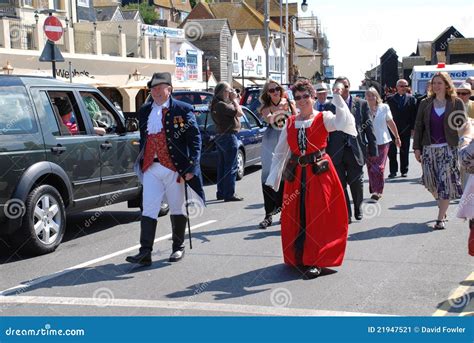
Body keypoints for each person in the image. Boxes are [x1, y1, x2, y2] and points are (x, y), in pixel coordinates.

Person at [266, 79, 357, 279]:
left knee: (319, 215)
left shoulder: (324, 117)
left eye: (306, 96)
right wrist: (274, 177)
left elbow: (343, 122)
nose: (302, 100)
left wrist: (338, 97)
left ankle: (317, 260)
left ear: (314, 97)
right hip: (296, 175)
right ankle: (299, 256)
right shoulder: (290, 122)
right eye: (297, 97)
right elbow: (281, 151)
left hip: (320, 172)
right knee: (297, 215)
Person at [126, 72, 205, 266]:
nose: (156, 92)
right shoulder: (145, 110)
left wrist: (192, 165)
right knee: (149, 208)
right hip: (150, 167)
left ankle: (178, 247)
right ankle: (145, 252)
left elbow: (195, 139)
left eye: (160, 88)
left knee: (177, 208)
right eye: (153, 88)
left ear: (169, 89)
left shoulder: (183, 109)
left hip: (174, 168)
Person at [413, 72, 466, 230]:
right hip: (429, 149)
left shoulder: (456, 103)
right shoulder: (425, 103)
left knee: (445, 184)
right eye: (434, 83)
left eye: (439, 83)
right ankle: (442, 205)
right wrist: (416, 147)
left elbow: (463, 126)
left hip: (448, 149)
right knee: (430, 183)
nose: (436, 86)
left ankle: (440, 217)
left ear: (446, 85)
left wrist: (465, 144)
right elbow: (419, 126)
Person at [326, 76, 377, 222]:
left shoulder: (361, 104)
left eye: (345, 86)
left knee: (356, 182)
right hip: (336, 151)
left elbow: (369, 127)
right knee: (340, 184)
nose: (342, 90)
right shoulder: (330, 106)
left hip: (355, 150)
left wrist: (373, 149)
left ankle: (357, 207)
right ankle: (346, 213)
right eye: (339, 87)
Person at [257, 79, 296, 229]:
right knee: (267, 175)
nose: (275, 92)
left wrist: (289, 106)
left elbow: (294, 118)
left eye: (277, 89)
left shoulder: (290, 102)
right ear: (267, 93)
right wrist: (282, 110)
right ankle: (268, 214)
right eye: (272, 90)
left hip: (286, 138)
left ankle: (283, 211)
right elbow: (272, 120)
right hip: (271, 139)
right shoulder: (265, 107)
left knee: (285, 176)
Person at [210, 82, 244, 202]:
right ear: (223, 92)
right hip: (228, 137)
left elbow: (234, 112)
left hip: (221, 136)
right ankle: (229, 194)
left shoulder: (217, 104)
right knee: (231, 166)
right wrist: (234, 100)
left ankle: (221, 192)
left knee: (222, 166)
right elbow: (240, 113)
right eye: (229, 90)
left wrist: (234, 101)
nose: (231, 93)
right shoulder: (221, 105)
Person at [365, 87, 401, 201]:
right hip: (367, 142)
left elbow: (390, 122)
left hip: (383, 141)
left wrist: (397, 137)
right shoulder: (363, 108)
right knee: (371, 168)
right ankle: (374, 188)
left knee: (379, 168)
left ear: (377, 97)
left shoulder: (384, 107)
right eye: (368, 95)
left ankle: (378, 191)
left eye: (373, 95)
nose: (371, 97)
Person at [386, 79, 418, 178]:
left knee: (404, 149)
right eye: (401, 86)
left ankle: (404, 170)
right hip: (392, 128)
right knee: (392, 151)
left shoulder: (411, 99)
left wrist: (413, 128)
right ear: (397, 87)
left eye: (405, 86)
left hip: (406, 128)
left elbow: (414, 115)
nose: (403, 88)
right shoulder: (390, 99)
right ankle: (393, 171)